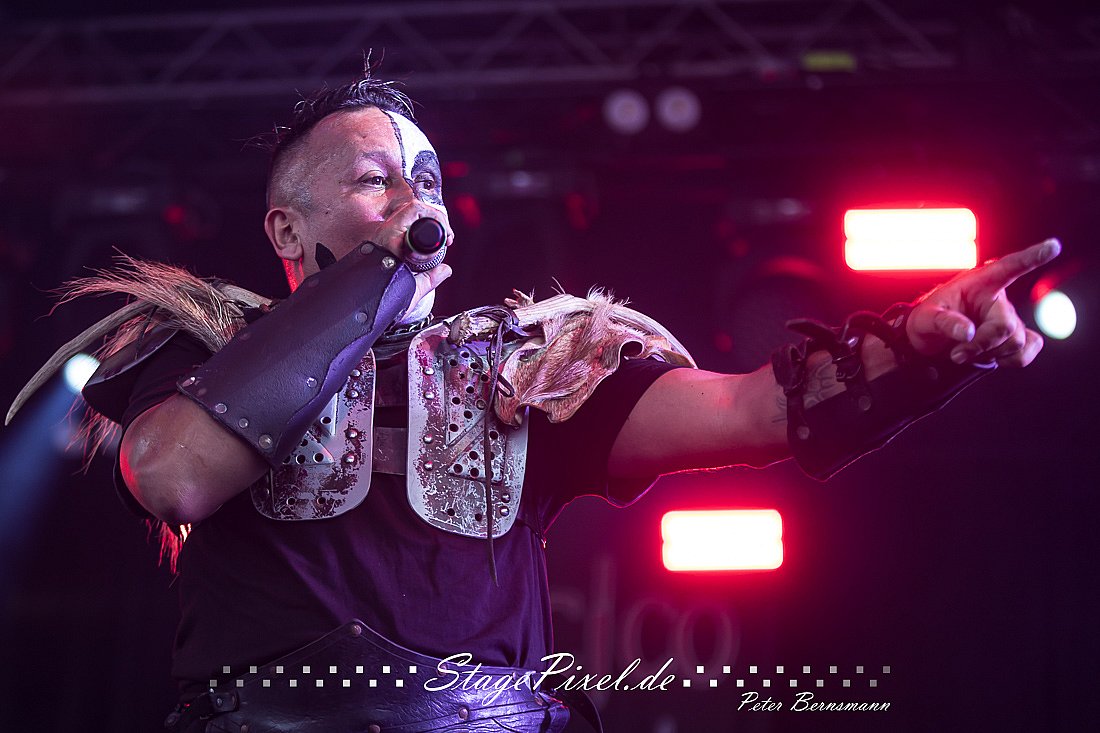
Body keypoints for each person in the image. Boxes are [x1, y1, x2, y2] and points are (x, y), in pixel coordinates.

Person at [11, 74, 1058, 733]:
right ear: (287, 229)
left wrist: (913, 346)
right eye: (376, 181)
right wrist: (369, 287)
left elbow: (750, 412)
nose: (417, 201)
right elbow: (177, 475)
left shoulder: (528, 363)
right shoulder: (201, 345)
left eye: (428, 180)